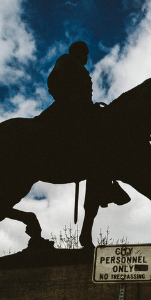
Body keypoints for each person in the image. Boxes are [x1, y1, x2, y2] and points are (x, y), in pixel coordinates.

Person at [39, 41, 129, 208]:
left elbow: (84, 95)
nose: (86, 57)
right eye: (84, 53)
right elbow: (54, 82)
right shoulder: (66, 60)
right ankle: (105, 186)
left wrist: (87, 105)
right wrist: (69, 99)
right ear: (77, 52)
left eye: (87, 54)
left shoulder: (79, 68)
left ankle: (106, 184)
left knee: (106, 133)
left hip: (82, 109)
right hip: (68, 108)